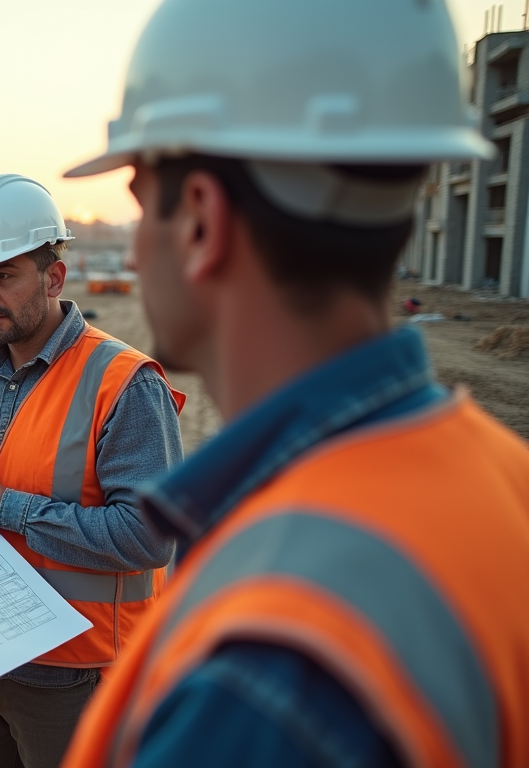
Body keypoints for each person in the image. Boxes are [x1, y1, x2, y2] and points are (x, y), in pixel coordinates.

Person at [60, 0, 529, 765]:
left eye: (142, 205)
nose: (136, 254)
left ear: (202, 222)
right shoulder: (500, 475)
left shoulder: (260, 676)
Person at [0, 174, 185, 768]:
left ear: (54, 277)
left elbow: (150, 536)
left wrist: (6, 507)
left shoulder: (125, 383)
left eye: (4, 276)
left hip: (77, 673)